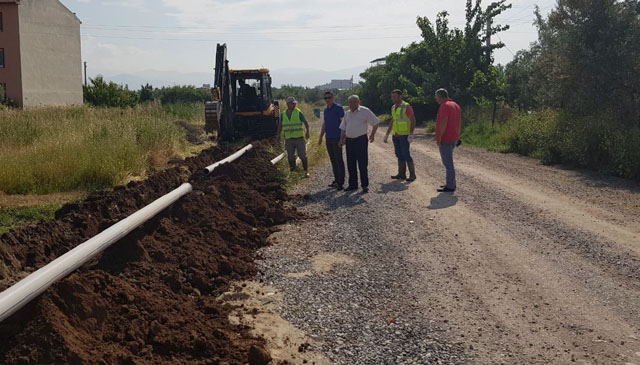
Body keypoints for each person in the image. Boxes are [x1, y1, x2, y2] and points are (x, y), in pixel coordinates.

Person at [339, 95, 380, 194]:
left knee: (362, 163)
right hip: (349, 141)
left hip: (361, 140)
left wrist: (372, 135)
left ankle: (364, 185)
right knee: (350, 163)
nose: (353, 104)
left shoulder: (365, 111)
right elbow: (343, 127)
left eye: (355, 102)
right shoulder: (347, 113)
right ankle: (353, 185)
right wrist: (342, 139)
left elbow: (376, 122)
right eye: (351, 102)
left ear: (359, 102)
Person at [384, 89, 417, 182]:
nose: (393, 98)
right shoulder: (393, 107)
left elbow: (413, 120)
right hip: (396, 135)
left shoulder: (406, 106)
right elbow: (393, 120)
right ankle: (401, 174)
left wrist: (411, 133)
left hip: (405, 135)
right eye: (392, 96)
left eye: (395, 96)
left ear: (400, 96)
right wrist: (387, 133)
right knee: (398, 154)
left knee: (406, 154)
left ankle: (412, 175)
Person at [435, 88, 461, 192]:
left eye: (436, 97)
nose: (436, 100)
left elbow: (444, 122)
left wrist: (439, 137)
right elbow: (459, 122)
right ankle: (451, 183)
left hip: (446, 138)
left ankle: (450, 185)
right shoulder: (455, 105)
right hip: (453, 137)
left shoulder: (444, 106)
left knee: (448, 163)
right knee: (449, 162)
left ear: (440, 97)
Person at [318, 91, 346, 190]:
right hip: (328, 138)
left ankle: (341, 182)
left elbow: (344, 123)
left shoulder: (338, 108)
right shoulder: (326, 110)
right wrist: (321, 136)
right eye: (325, 98)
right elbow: (325, 124)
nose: (327, 100)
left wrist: (343, 138)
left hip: (337, 138)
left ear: (333, 98)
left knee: (339, 160)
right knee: (333, 160)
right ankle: (336, 180)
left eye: (329, 97)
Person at [277, 97, 311, 177]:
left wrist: (307, 132)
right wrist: (278, 134)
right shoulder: (283, 114)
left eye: (295, 103)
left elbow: (305, 122)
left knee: (302, 155)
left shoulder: (298, 112)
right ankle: (293, 173)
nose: (295, 104)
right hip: (289, 139)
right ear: (288, 104)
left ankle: (306, 172)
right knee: (291, 156)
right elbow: (280, 125)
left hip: (299, 138)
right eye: (293, 103)